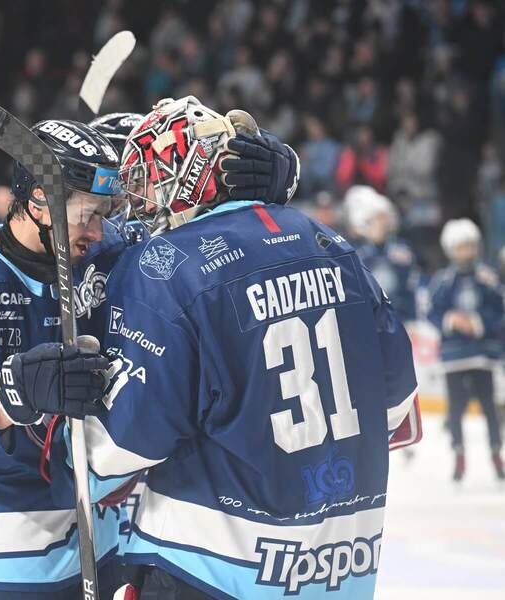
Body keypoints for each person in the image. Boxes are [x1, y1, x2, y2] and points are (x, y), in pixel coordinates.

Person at [0, 107, 300, 598]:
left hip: (114, 540)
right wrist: (12, 396)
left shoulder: (108, 249)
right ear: (36, 200)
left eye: (104, 213)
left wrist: (270, 174)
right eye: (85, 215)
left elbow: (185, 212)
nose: (99, 230)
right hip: (6, 558)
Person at [66, 96, 421, 598]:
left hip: (208, 565)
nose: (141, 202)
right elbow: (396, 403)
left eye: (149, 179)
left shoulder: (165, 263)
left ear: (188, 173)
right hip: (340, 568)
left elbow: (117, 447)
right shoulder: (329, 242)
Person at [428, 219, 504, 482]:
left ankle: (496, 453)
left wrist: (479, 322)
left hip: (482, 355)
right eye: (461, 247)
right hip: (454, 357)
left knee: (489, 409)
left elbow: (500, 309)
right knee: (456, 410)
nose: (466, 252)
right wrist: (452, 319)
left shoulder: (487, 278)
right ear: (451, 249)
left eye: (470, 246)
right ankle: (458, 455)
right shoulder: (443, 281)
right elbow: (432, 312)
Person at [345, 185, 421, 322]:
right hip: (370, 320)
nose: (381, 223)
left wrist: (412, 320)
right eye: (376, 218)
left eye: (383, 217)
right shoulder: (356, 254)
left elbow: (411, 289)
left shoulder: (403, 251)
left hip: (400, 318)